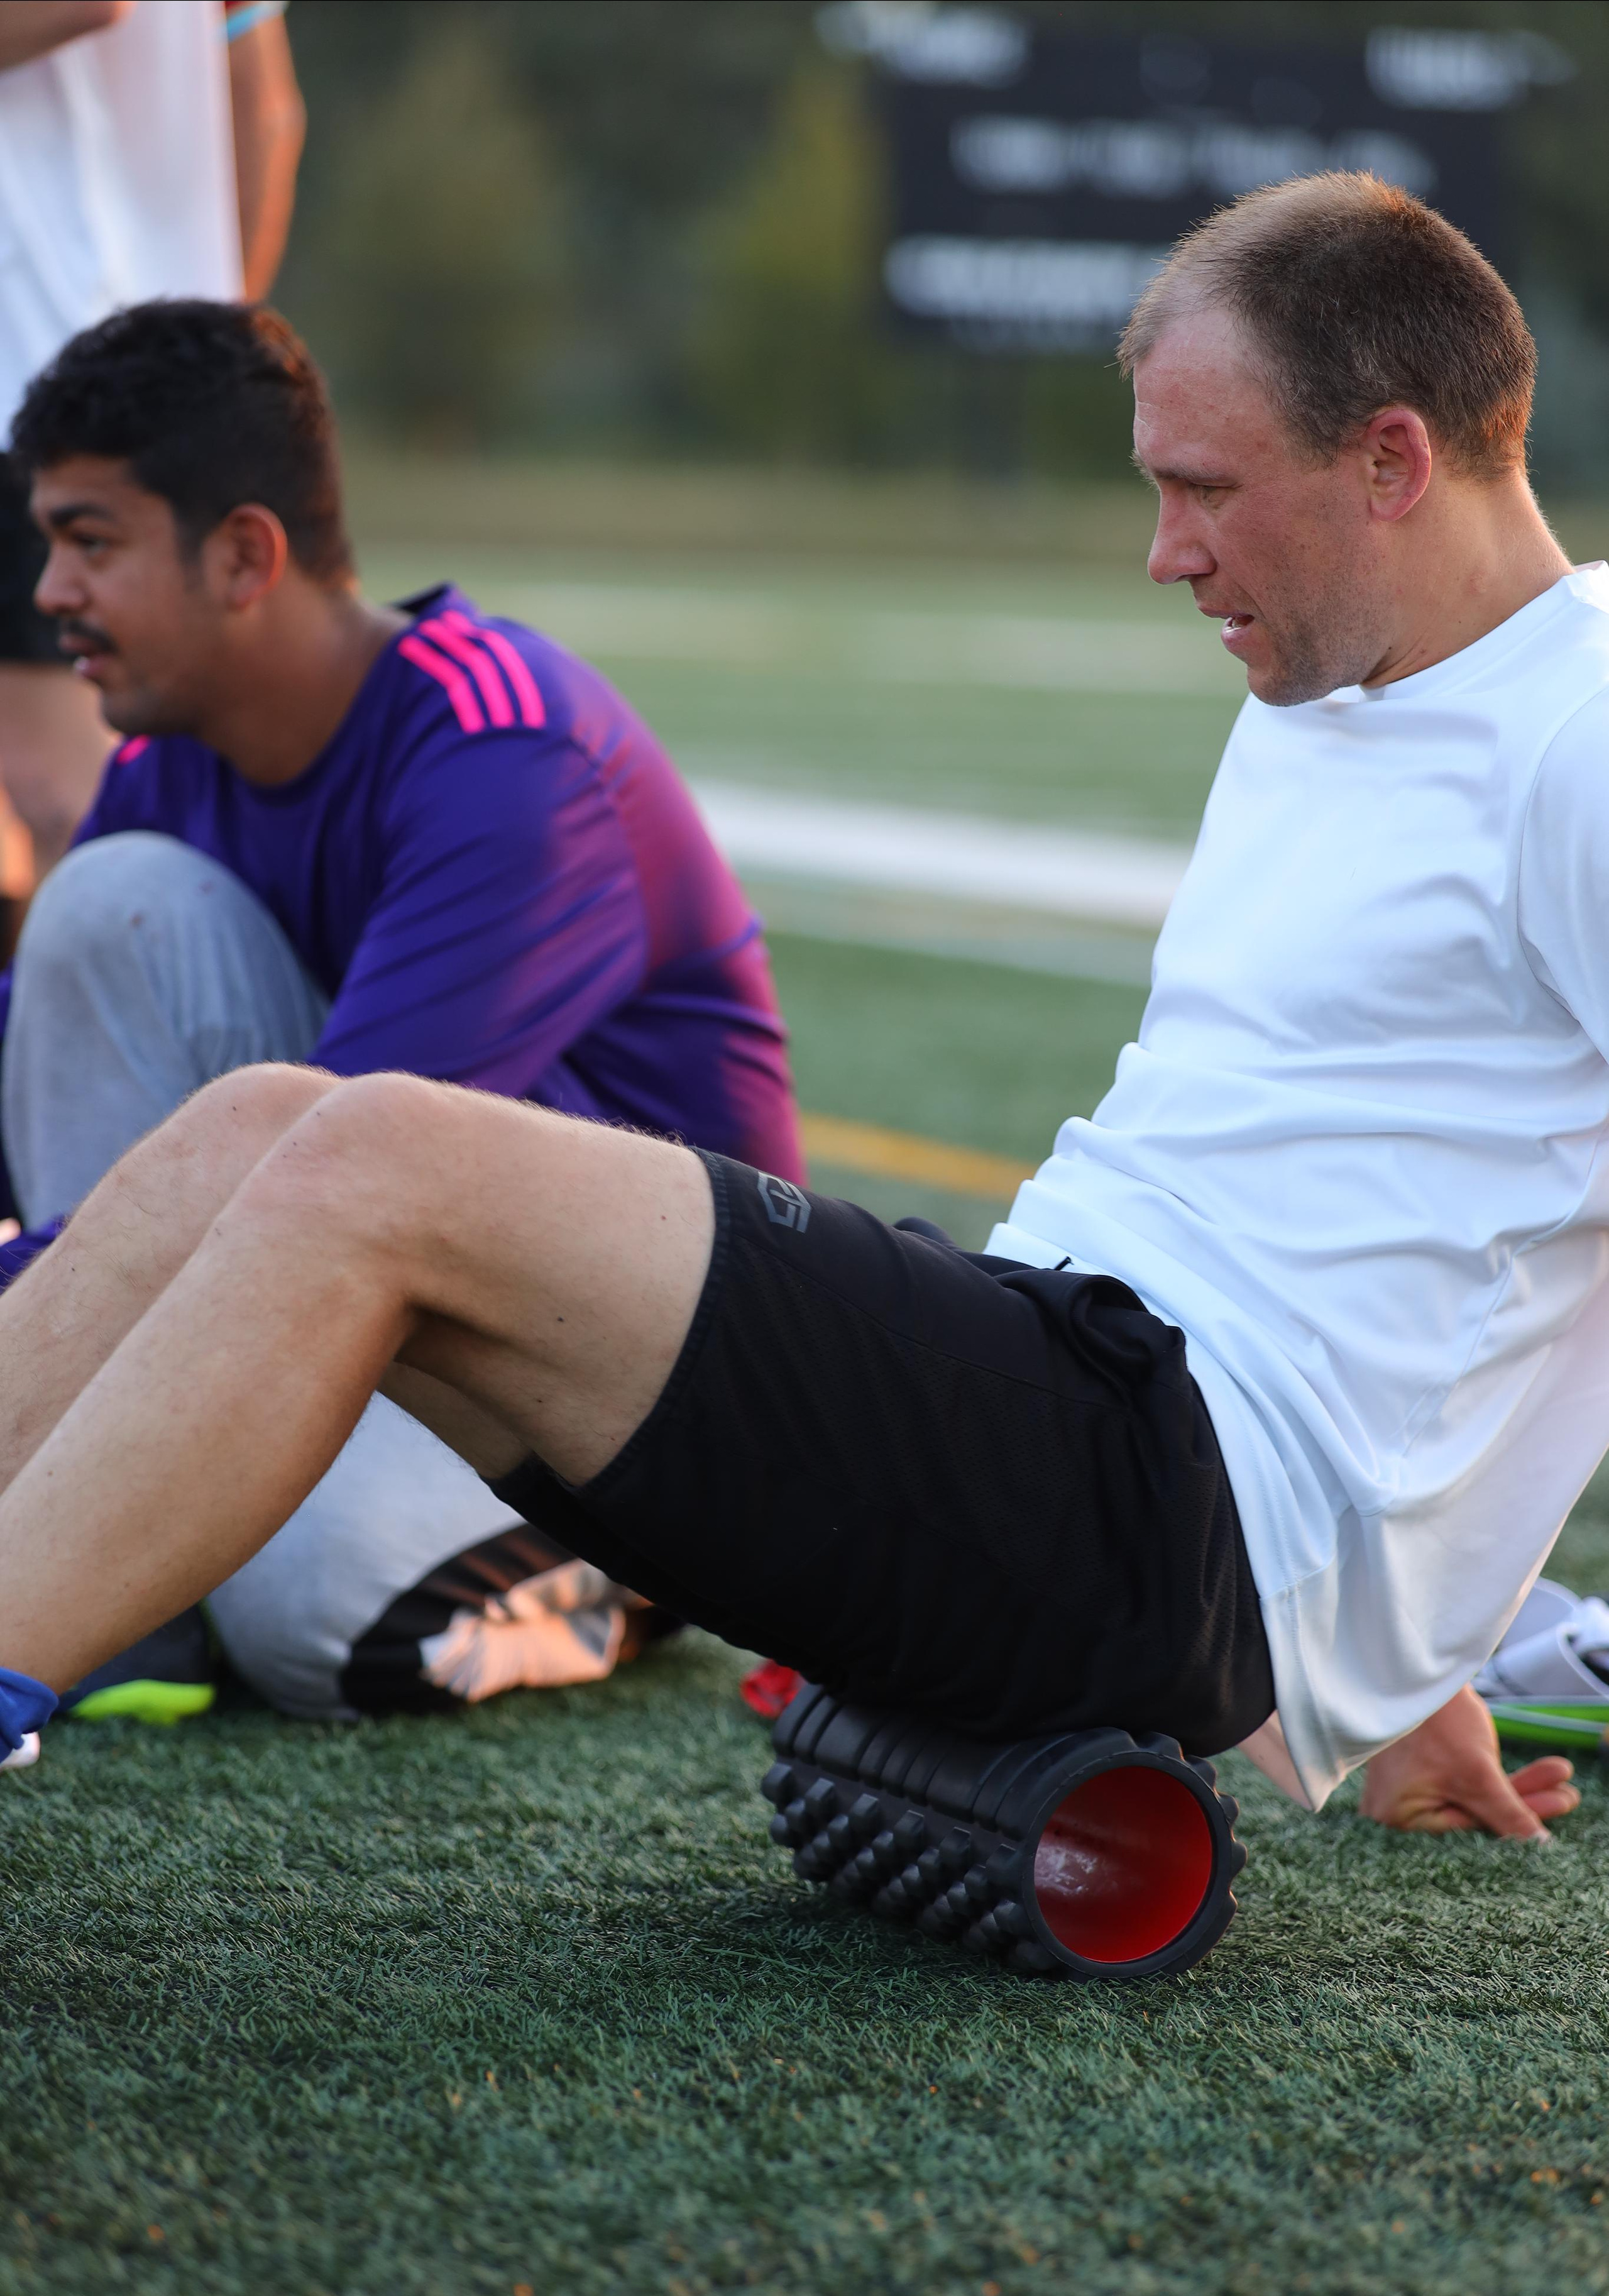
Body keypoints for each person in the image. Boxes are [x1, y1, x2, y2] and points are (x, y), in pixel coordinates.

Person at [0, 170, 1598, 1850]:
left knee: (368, 1157)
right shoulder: (1335, 684)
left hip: (1154, 1486)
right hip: (1074, 1407)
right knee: (267, 1128)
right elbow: (1403, 1203)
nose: (1164, 552)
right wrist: (1410, 1663)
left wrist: (1379, 1608)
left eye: (1204, 488)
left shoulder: (1575, 734)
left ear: (1392, 463)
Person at [0, 297, 803, 1743]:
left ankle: (627, 1575)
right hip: (412, 1292)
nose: (50, 588)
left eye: (91, 540)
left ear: (244, 555)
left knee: (312, 1609)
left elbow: (315, 1177)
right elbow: (38, 1069)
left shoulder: (508, 756)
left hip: (620, 1396)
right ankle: (131, 1583)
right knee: (111, 904)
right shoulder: (174, 753)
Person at [0, 0, 304, 925]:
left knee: (75, 809)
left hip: (36, 357)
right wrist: (209, 347)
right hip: (115, 361)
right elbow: (266, 100)